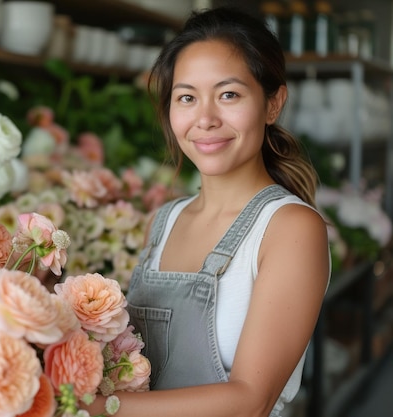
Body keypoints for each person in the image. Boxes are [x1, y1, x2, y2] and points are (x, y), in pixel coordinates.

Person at [84, 6, 330, 417]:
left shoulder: (290, 229)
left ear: (273, 104)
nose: (205, 119)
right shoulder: (163, 222)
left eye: (228, 94)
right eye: (187, 97)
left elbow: (251, 401)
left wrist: (92, 409)